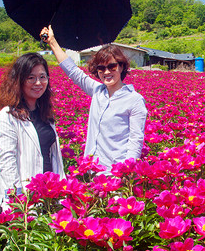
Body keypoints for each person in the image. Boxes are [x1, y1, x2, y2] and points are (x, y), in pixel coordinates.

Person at [40, 26, 147, 171]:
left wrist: (127, 172)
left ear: (121, 67)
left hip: (116, 172)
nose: (106, 72)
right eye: (101, 68)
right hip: (93, 169)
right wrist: (52, 42)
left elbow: (136, 141)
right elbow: (73, 71)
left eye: (112, 66)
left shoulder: (134, 100)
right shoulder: (98, 91)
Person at [0, 52, 65, 212]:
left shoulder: (45, 113)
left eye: (42, 77)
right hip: (24, 201)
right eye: (31, 78)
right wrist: (18, 200)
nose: (38, 83)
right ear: (19, 80)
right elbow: (7, 161)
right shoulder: (8, 115)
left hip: (49, 197)